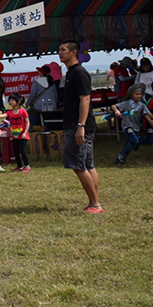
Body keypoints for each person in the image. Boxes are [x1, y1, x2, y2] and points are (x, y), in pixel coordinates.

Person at [58, 40, 101, 213]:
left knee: (78, 165)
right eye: (59, 50)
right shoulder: (70, 74)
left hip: (80, 126)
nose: (60, 53)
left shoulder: (79, 73)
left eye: (63, 50)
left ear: (74, 52)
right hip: (76, 124)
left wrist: (80, 126)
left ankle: (95, 204)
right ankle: (94, 201)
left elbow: (85, 99)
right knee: (88, 164)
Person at [113, 83, 153, 166]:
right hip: (127, 125)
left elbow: (147, 113)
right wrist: (116, 111)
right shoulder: (126, 103)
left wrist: (152, 118)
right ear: (132, 95)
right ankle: (121, 156)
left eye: (140, 94)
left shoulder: (142, 105)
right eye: (136, 94)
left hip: (136, 127)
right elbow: (114, 106)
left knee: (133, 141)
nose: (139, 96)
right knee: (133, 140)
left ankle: (136, 144)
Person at [4, 94, 31, 172]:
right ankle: (19, 166)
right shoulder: (9, 112)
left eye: (12, 100)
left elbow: (27, 122)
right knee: (16, 151)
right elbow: (3, 115)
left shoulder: (23, 111)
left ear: (18, 102)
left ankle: (27, 166)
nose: (10, 102)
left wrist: (25, 133)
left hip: (23, 135)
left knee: (23, 150)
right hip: (15, 135)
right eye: (9, 101)